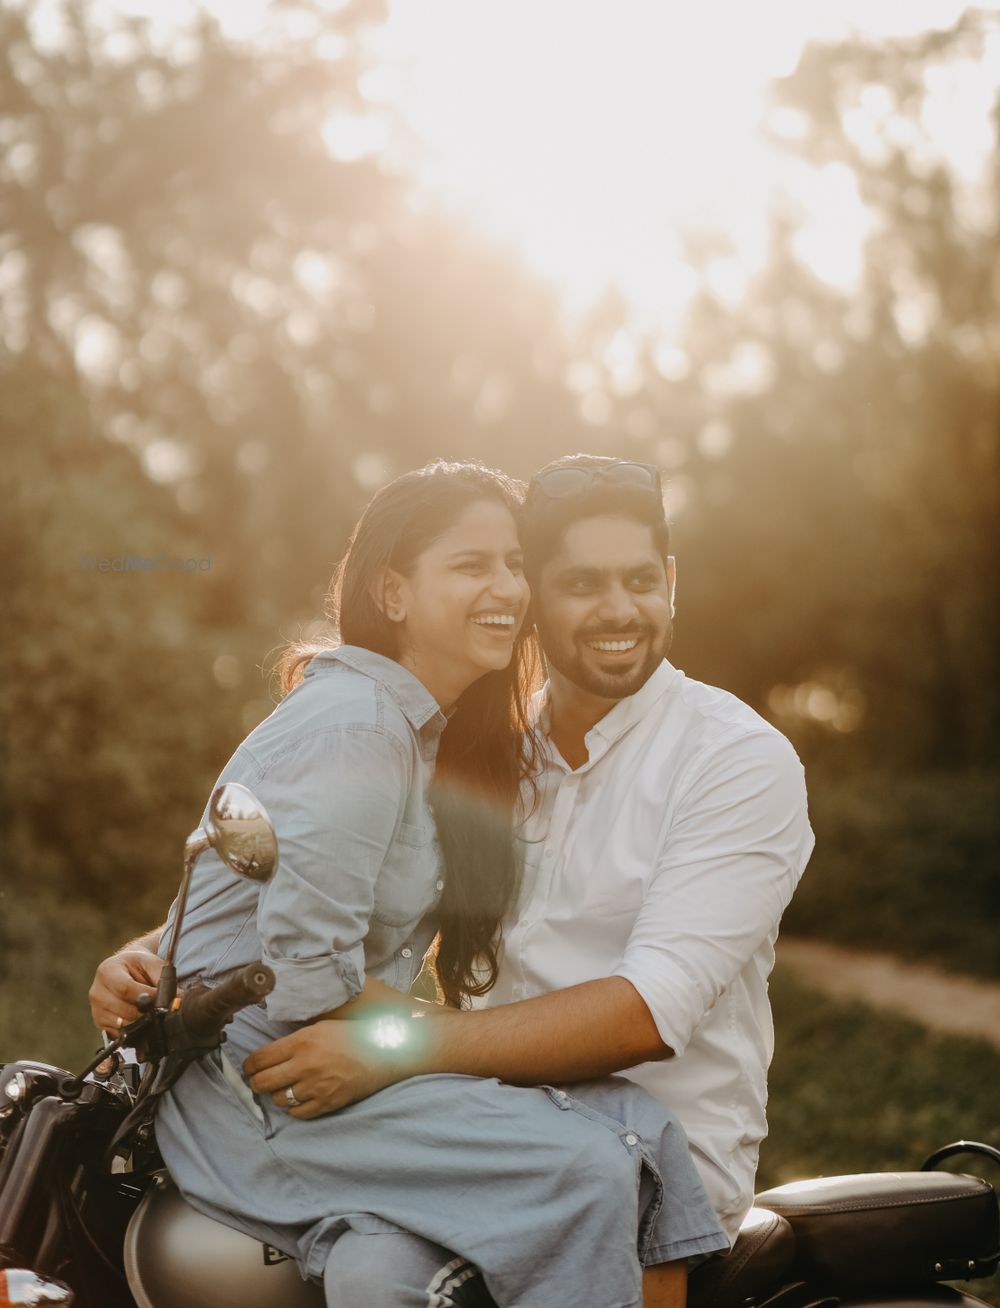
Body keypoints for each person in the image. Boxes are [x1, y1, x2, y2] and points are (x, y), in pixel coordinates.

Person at [90, 458, 727, 1308]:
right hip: (267, 1088)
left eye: (512, 564)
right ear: (392, 592)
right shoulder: (357, 726)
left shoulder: (414, 730)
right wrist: (426, 1045)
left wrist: (151, 947)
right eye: (471, 565)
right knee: (586, 1165)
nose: (507, 586)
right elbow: (307, 980)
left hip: (318, 1061)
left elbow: (262, 900)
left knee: (634, 1122)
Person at [218, 453, 815, 1304]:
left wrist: (396, 1051)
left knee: (386, 1283)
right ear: (533, 595)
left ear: (672, 581)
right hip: (485, 1144)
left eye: (642, 580)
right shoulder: (486, 746)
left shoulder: (736, 759)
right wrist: (163, 959)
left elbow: (648, 1010)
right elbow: (333, 873)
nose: (620, 611)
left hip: (646, 1180)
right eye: (581, 585)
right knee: (354, 1272)